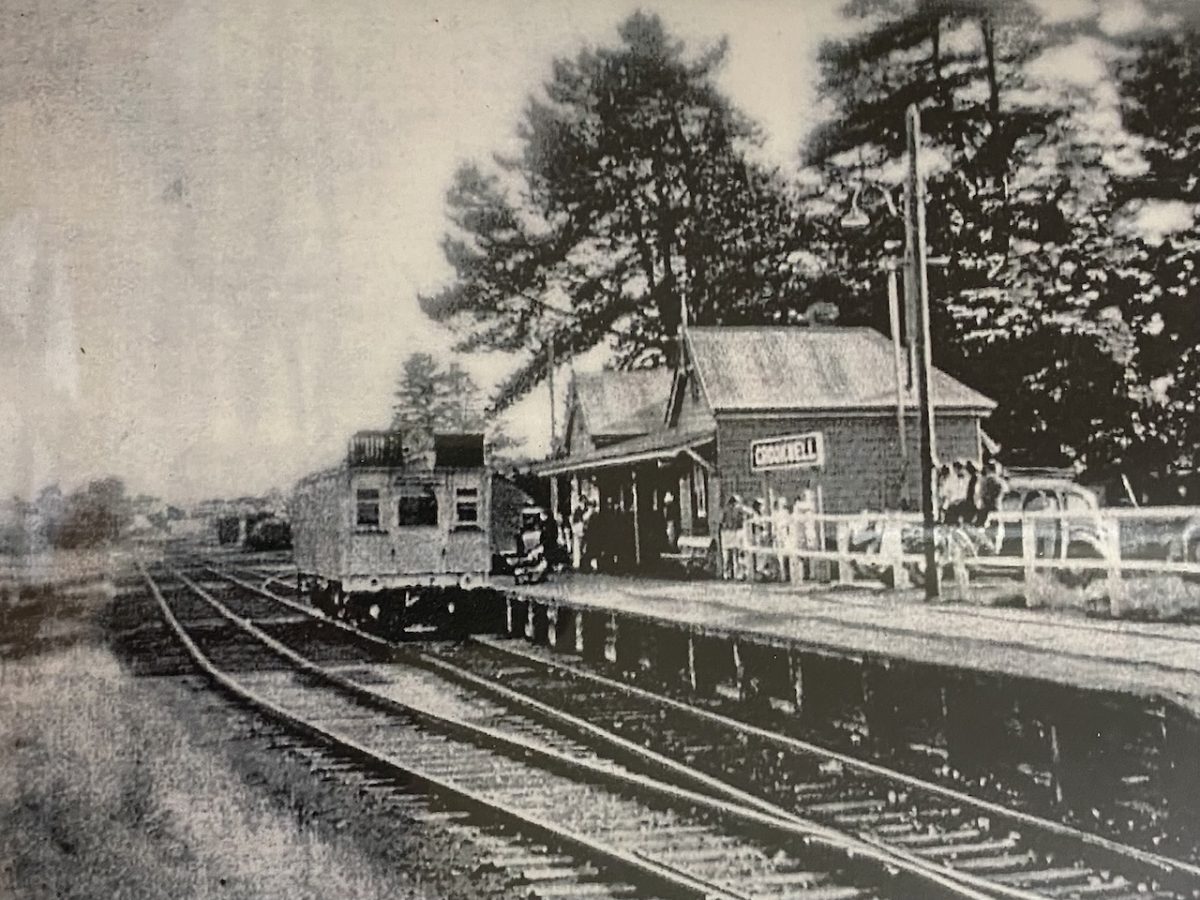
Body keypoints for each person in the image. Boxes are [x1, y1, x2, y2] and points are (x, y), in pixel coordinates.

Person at [719, 494, 745, 580]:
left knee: (732, 555)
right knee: (732, 555)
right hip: (730, 532)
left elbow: (721, 522)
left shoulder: (729, 511)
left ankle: (730, 573)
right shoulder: (733, 511)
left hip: (730, 532)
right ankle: (731, 573)